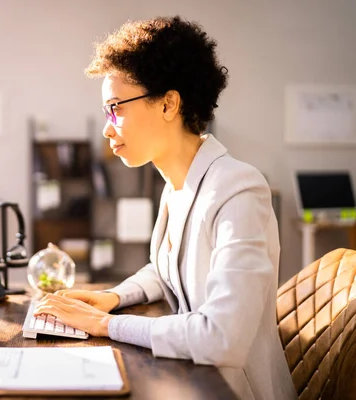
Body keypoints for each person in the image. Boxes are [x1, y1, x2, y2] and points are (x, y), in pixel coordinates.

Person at [33, 16, 296, 400]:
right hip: (190, 381)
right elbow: (167, 269)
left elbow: (222, 338)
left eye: (115, 107)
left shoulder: (240, 188)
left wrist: (105, 324)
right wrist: (115, 297)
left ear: (169, 103)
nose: (108, 128)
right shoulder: (176, 187)